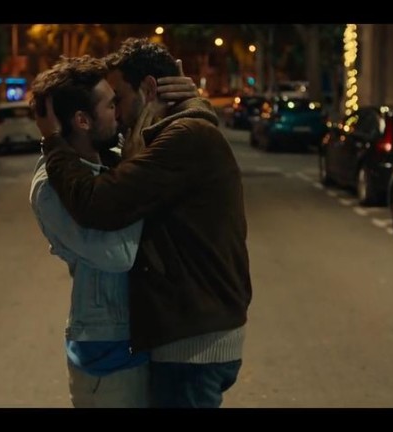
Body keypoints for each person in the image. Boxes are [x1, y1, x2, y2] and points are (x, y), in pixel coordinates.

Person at [37, 38, 252, 408]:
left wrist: (54, 142)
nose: (118, 113)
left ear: (149, 89)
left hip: (192, 346)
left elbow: (99, 202)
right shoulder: (172, 133)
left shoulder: (182, 137)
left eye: (118, 99)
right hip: (187, 339)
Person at [28, 54, 198, 408]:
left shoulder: (112, 155)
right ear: (82, 120)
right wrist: (134, 175)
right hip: (106, 351)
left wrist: (184, 101)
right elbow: (117, 255)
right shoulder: (50, 188)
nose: (119, 112)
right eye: (110, 105)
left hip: (142, 337)